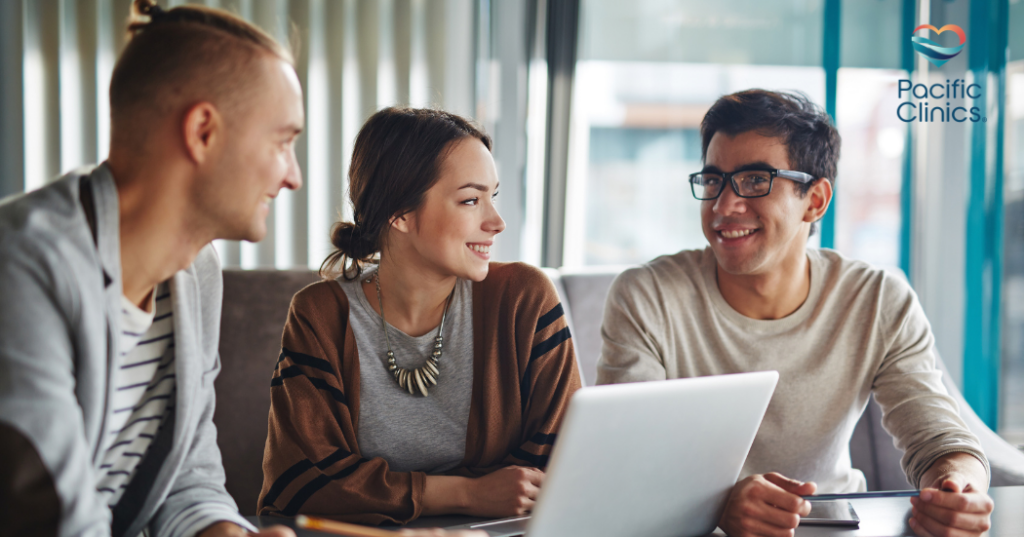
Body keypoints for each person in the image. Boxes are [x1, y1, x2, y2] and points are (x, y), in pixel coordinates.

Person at [0, 3, 483, 537]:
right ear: (203, 131)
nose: (293, 176)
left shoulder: (194, 273)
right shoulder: (22, 266)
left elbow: (186, 480)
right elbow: (54, 520)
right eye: (283, 142)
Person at [597, 90, 994, 537]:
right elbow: (625, 461)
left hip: (832, 530)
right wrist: (716, 506)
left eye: (753, 180)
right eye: (713, 181)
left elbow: (940, 441)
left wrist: (959, 490)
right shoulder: (647, 296)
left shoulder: (878, 300)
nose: (724, 206)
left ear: (816, 200)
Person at [258, 107, 582, 524]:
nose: (496, 222)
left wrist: (371, 490)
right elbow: (300, 483)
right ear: (400, 214)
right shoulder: (320, 315)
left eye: (492, 196)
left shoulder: (523, 299)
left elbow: (562, 464)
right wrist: (469, 492)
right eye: (470, 200)